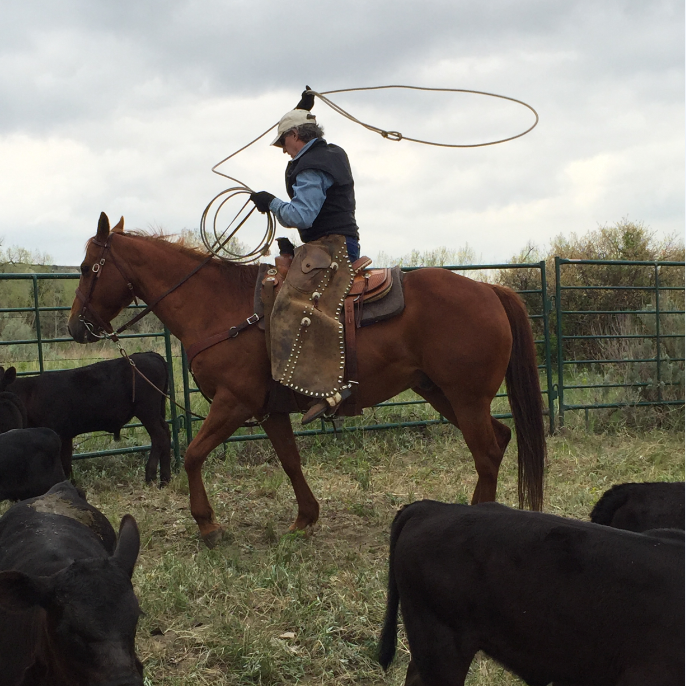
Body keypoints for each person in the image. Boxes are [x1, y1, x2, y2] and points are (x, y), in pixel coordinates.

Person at [250, 87, 362, 424]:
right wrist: (303, 106)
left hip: (329, 248)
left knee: (290, 304)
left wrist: (270, 202)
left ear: (296, 136)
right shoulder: (327, 154)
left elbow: (302, 216)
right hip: (328, 244)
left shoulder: (311, 166)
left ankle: (331, 388)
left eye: (283, 142)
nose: (283, 151)